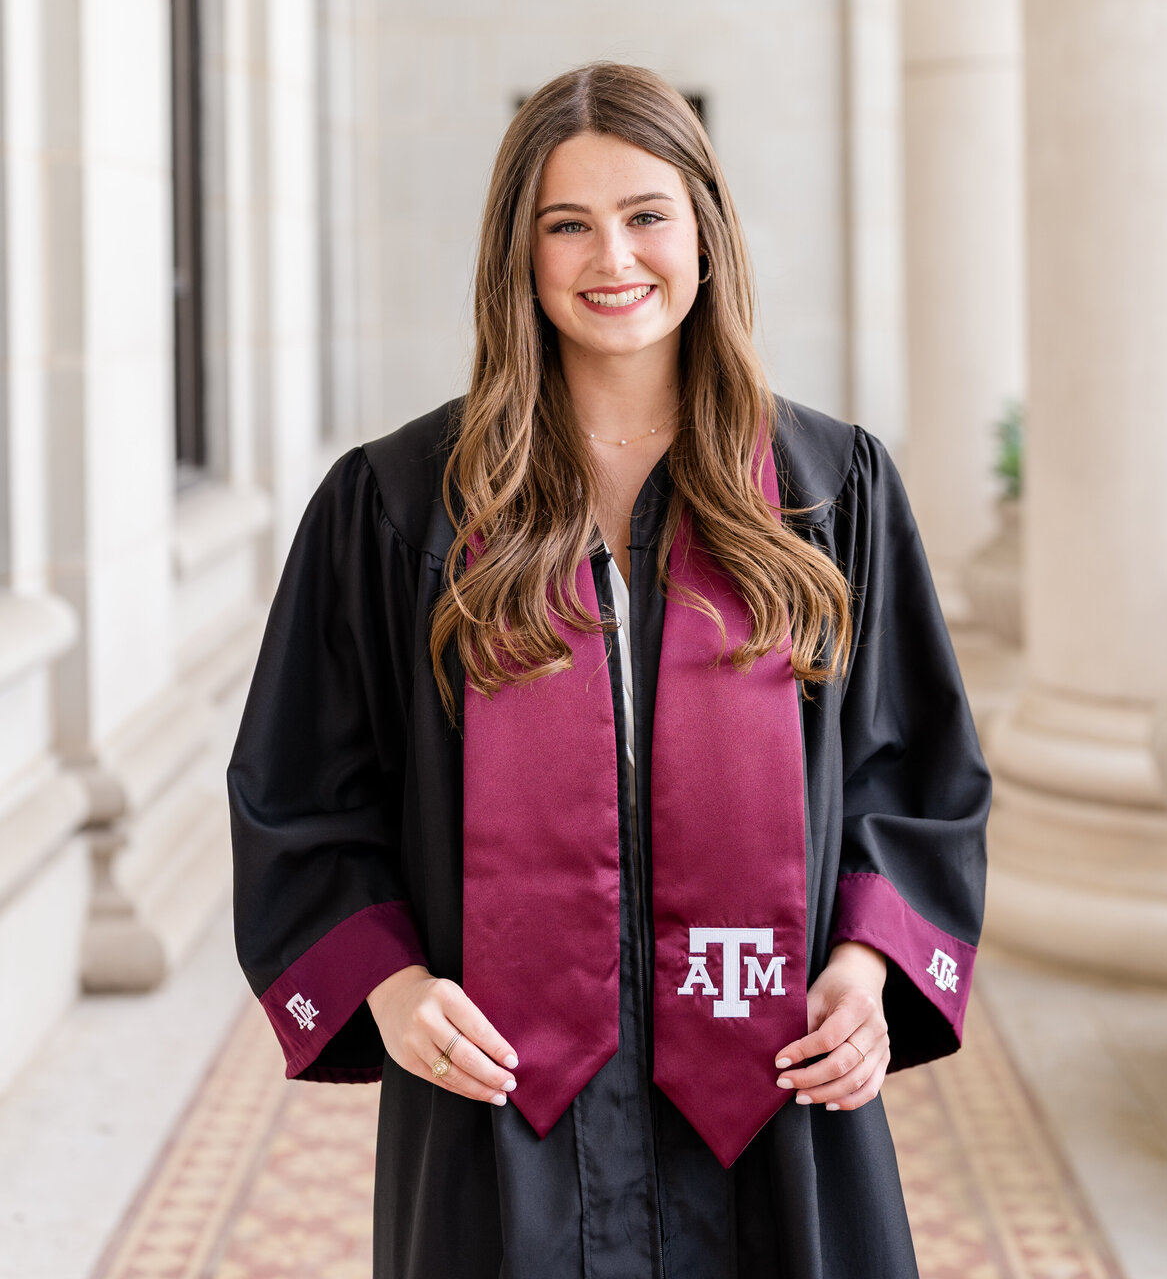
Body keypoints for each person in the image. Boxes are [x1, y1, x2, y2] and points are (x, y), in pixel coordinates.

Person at [228, 64, 990, 1279]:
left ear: (705, 232)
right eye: (566, 224)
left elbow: (917, 771)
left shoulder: (826, 491)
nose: (612, 257)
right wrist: (388, 987)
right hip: (503, 1104)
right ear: (517, 258)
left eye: (645, 216)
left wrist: (869, 963)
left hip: (772, 1095)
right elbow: (304, 789)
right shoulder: (398, 508)